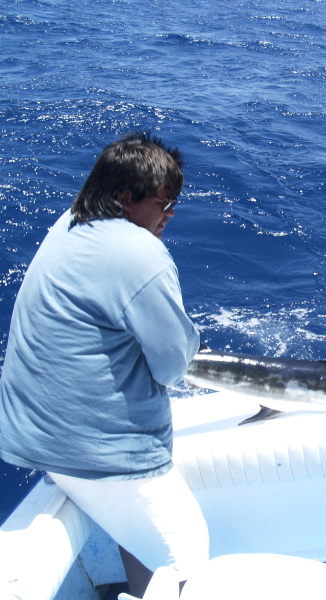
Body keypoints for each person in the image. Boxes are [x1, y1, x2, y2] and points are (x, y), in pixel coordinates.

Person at [0, 132, 208, 597]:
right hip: (96, 450)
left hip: (34, 431)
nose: (170, 215)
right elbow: (175, 365)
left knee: (140, 535)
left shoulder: (71, 222)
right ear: (125, 198)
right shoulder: (140, 254)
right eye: (164, 203)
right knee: (188, 557)